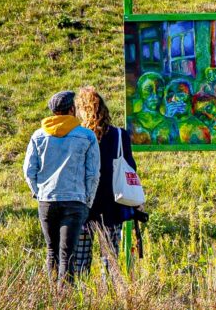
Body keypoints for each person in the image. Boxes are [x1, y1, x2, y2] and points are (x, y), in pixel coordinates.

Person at [23, 89, 102, 281]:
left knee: (52, 251)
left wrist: (38, 193)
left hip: (47, 200)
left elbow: (28, 171)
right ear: (72, 109)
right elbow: (92, 174)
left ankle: (52, 299)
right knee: (68, 254)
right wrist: (87, 200)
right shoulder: (87, 136)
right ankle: (67, 298)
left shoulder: (38, 135)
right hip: (75, 200)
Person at [79, 85, 140, 273]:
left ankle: (82, 299)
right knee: (110, 258)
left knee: (80, 261)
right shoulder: (120, 135)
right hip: (112, 204)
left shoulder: (78, 136)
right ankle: (110, 296)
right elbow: (131, 167)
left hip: (83, 203)